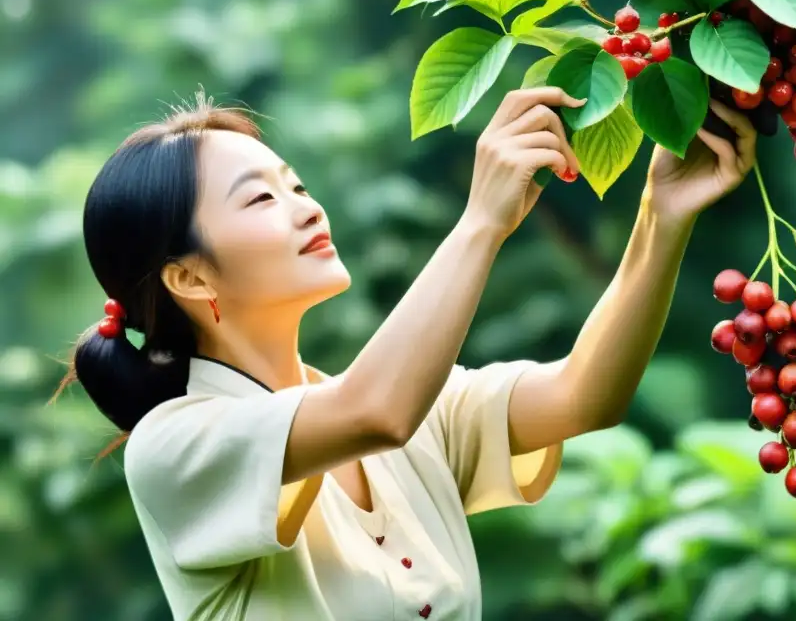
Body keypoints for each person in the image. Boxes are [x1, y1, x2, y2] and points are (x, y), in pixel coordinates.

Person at [56, 87, 755, 620]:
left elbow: (583, 396)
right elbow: (375, 410)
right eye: (261, 199)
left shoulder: (410, 406)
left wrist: (659, 218)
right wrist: (482, 221)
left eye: (297, 184)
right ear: (189, 276)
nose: (306, 207)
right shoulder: (173, 448)